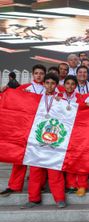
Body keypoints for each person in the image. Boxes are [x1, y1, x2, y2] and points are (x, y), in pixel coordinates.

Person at [0, 64, 47, 197]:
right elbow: (11, 99)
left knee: (39, 159)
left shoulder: (47, 90)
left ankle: (40, 185)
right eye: (36, 73)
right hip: (23, 128)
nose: (39, 75)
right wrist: (6, 91)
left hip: (39, 129)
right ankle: (14, 186)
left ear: (44, 75)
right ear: (33, 74)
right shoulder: (23, 88)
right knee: (18, 157)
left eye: (41, 73)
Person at [20, 73, 66, 209]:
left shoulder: (61, 100)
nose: (50, 85)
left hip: (54, 140)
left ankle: (59, 198)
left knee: (54, 171)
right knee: (35, 171)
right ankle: (33, 199)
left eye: (53, 83)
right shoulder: (36, 99)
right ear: (44, 84)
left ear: (56, 85)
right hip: (36, 140)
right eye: (47, 83)